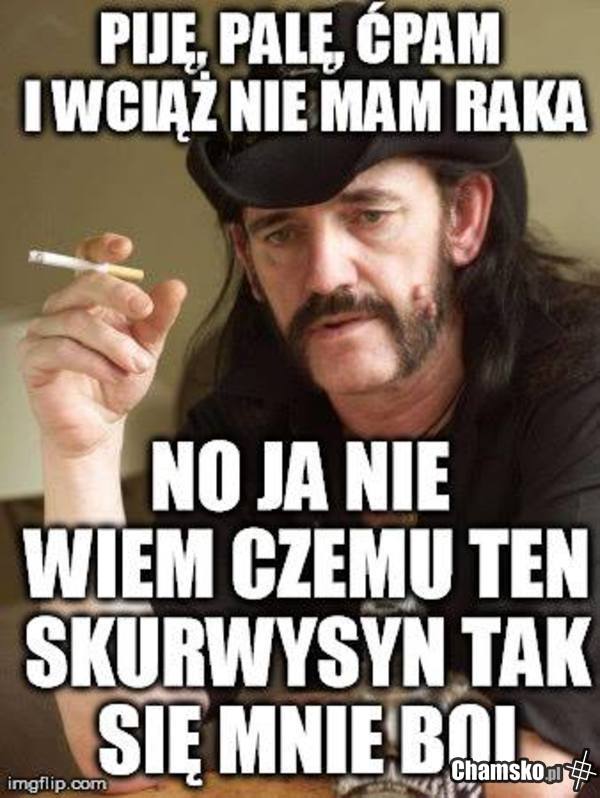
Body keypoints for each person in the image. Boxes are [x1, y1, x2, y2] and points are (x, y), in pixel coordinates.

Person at [14, 5, 600, 796]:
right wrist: (79, 452)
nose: (325, 275)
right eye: (283, 233)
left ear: (462, 219)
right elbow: (131, 747)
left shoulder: (576, 390)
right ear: (248, 258)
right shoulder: (241, 432)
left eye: (369, 215)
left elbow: (536, 778)